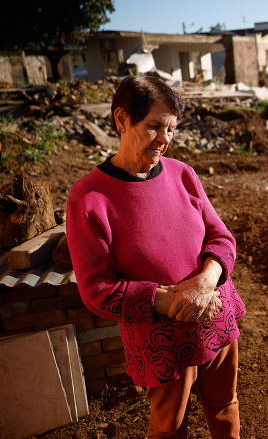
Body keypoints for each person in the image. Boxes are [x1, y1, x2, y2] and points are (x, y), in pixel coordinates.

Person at [66, 75, 246, 438]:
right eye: (154, 127)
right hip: (161, 341)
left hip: (215, 315)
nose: (165, 140)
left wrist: (205, 282)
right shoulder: (89, 198)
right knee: (169, 428)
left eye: (171, 129)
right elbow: (96, 289)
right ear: (121, 120)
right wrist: (171, 300)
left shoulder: (183, 175)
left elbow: (221, 237)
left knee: (224, 405)